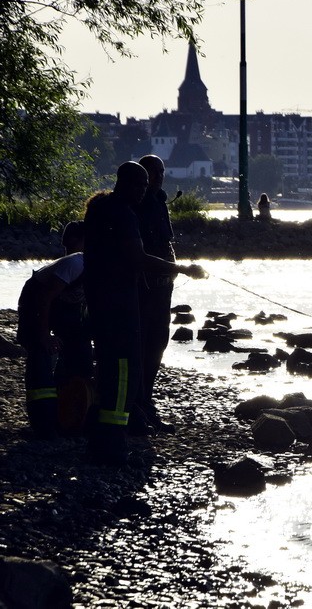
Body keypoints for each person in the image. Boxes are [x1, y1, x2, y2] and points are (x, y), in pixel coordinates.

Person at [83, 161, 206, 466]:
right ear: (123, 182)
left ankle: (113, 429)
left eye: (147, 183)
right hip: (122, 299)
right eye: (140, 183)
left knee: (114, 364)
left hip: (103, 298)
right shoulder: (124, 213)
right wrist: (182, 269)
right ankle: (114, 438)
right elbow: (137, 257)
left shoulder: (100, 208)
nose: (144, 189)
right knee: (124, 368)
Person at [15, 221, 92, 438]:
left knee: (79, 358)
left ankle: (71, 416)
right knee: (40, 357)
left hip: (63, 309)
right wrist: (44, 335)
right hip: (35, 303)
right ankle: (43, 424)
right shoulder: (76, 263)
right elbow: (43, 299)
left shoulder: (96, 265)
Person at [134, 154, 177, 433]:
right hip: (144, 288)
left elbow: (166, 241)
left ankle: (145, 401)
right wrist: (181, 269)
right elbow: (139, 254)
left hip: (164, 287)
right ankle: (139, 405)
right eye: (153, 172)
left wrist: (174, 268)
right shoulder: (134, 206)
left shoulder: (160, 201)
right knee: (144, 344)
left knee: (159, 342)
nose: (159, 177)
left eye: (161, 172)